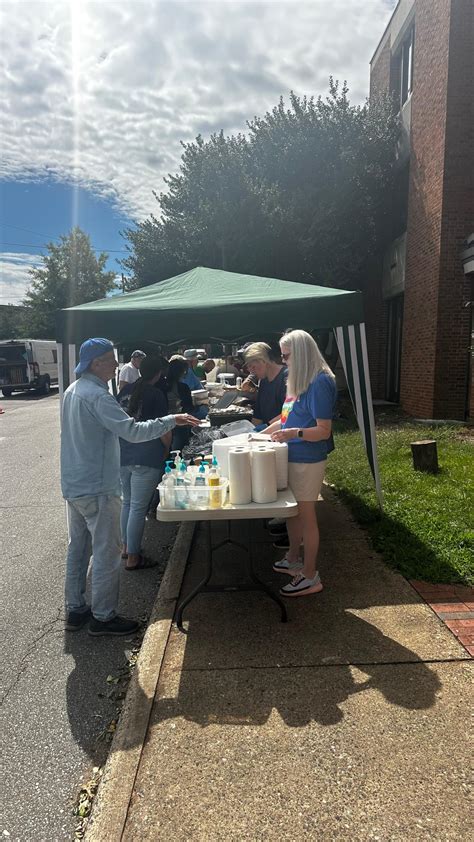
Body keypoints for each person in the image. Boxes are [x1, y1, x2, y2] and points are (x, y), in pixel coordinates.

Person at [61, 338, 199, 636]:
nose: (116, 365)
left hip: (75, 482)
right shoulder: (97, 395)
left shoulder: (73, 391)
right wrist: (170, 420)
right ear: (96, 363)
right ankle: (103, 616)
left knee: (79, 549)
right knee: (106, 552)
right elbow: (132, 431)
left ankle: (75, 609)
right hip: (97, 485)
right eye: (111, 360)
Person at [265, 329, 337, 598]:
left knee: (306, 517)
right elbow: (285, 420)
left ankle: (310, 575)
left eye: (286, 355)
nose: (284, 361)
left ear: (302, 353)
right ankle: (294, 558)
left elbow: (323, 430)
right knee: (291, 513)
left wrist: (293, 434)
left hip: (307, 460)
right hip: (292, 456)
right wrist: (258, 435)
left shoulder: (319, 382)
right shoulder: (299, 380)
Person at [118, 357, 171, 570]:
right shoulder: (157, 395)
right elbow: (163, 428)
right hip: (147, 456)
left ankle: (126, 548)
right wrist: (166, 450)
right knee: (138, 507)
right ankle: (133, 556)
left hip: (123, 453)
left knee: (128, 503)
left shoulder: (123, 392)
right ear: (158, 374)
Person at [243, 342, 287, 427]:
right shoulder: (263, 381)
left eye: (253, 367)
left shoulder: (286, 378)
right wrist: (251, 432)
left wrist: (266, 427)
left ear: (263, 361)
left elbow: (289, 413)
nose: (251, 371)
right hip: (267, 436)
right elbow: (258, 416)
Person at [165, 357, 195, 451]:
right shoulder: (183, 388)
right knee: (179, 452)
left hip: (164, 424)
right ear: (182, 372)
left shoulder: (161, 385)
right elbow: (188, 408)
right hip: (179, 424)